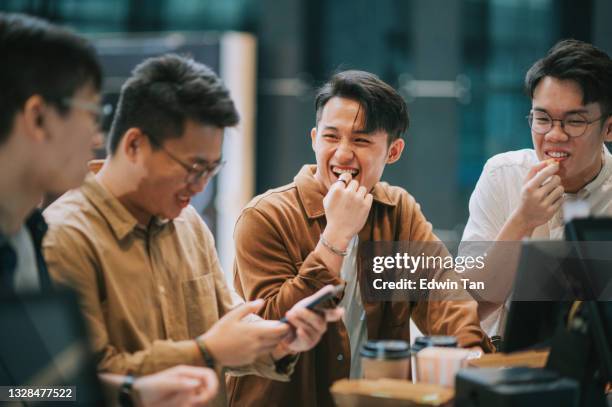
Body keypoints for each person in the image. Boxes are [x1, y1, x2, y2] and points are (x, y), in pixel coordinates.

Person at [42, 52, 343, 406]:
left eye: (211, 170)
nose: (200, 186)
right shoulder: (63, 237)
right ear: (135, 145)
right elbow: (74, 384)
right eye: (193, 167)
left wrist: (277, 342)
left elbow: (225, 325)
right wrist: (206, 351)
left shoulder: (187, 222)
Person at [228, 70, 493, 406]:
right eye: (331, 137)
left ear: (393, 151)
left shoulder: (397, 211)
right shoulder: (265, 216)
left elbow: (441, 290)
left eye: (361, 140)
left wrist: (468, 349)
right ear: (313, 138)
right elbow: (274, 332)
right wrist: (335, 235)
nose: (341, 154)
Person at [0, 12, 219, 406]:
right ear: (38, 117)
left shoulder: (26, 236)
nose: (99, 136)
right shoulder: (60, 232)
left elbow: (33, 389)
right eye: (91, 113)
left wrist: (131, 392)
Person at [461, 39, 612, 337]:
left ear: (608, 127)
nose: (554, 135)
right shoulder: (502, 175)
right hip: (508, 365)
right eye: (542, 119)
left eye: (575, 121)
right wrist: (523, 220)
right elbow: (467, 308)